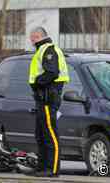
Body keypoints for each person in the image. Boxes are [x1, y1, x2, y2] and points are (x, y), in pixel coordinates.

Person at [28, 27, 70, 177]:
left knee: (50, 133)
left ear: (39, 36)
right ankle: (41, 167)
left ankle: (52, 169)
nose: (31, 40)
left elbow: (52, 72)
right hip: (42, 97)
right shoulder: (41, 50)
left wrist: (38, 83)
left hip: (48, 97)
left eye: (33, 37)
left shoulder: (48, 49)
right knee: (40, 134)